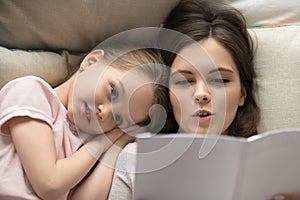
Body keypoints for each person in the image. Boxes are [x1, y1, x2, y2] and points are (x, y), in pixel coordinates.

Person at [107, 1, 300, 200]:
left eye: (220, 80)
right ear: (168, 90)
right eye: (185, 81)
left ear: (242, 93)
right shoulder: (136, 159)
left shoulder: (277, 168)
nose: (201, 94)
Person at [0, 46, 169, 199]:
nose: (105, 112)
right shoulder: (32, 92)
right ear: (91, 62)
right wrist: (103, 142)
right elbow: (49, 184)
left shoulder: (85, 146)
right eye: (113, 92)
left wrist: (118, 142)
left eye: (119, 119)